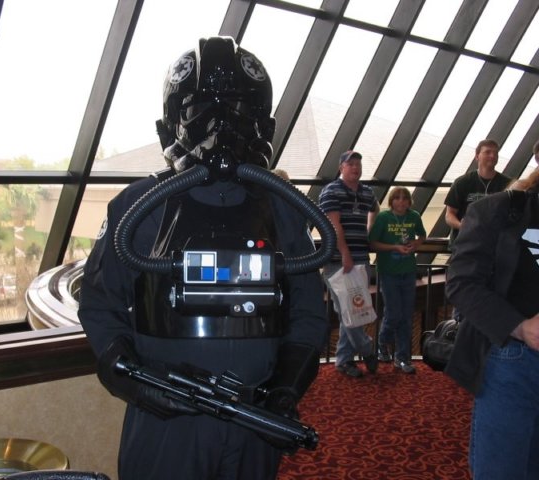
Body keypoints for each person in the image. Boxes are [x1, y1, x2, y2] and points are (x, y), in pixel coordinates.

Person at [78, 37, 328, 480]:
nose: (221, 125)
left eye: (238, 108)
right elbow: (100, 305)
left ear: (263, 124)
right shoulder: (138, 207)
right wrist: (134, 381)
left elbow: (309, 310)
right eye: (201, 110)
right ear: (170, 125)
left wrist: (286, 388)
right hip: (167, 422)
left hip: (255, 416)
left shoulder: (283, 208)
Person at [445, 167, 539, 480]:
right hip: (514, 360)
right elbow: (461, 283)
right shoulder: (500, 209)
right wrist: (520, 327)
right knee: (503, 469)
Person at [319, 150, 380, 378]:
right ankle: (367, 349)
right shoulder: (331, 191)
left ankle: (344, 360)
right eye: (350, 164)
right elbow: (334, 226)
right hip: (338, 261)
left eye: (358, 164)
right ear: (341, 168)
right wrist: (345, 254)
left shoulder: (367, 192)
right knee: (347, 309)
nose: (355, 168)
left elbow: (375, 209)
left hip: (361, 259)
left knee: (354, 310)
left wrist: (369, 230)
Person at [369, 187, 427, 373]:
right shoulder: (383, 218)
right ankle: (382, 343)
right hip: (388, 272)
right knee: (394, 313)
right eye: (397, 198)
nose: (401, 202)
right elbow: (373, 243)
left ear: (410, 201)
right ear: (391, 201)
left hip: (408, 271)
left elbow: (422, 235)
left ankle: (402, 357)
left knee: (406, 316)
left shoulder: (414, 216)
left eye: (405, 198)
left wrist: (416, 243)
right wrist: (394, 248)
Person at [444, 138, 511, 247]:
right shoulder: (462, 182)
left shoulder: (507, 184)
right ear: (477, 156)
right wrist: (462, 226)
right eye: (487, 152)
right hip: (465, 245)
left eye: (495, 153)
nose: (492, 156)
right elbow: (449, 214)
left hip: (495, 245)